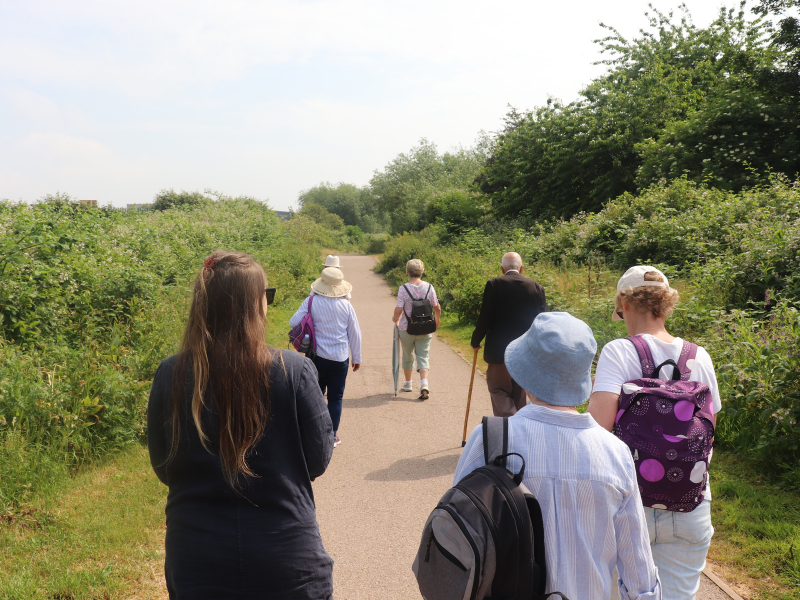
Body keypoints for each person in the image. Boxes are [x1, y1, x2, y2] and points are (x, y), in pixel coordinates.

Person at [147, 251, 334, 600]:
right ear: (253, 304)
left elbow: (163, 466)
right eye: (266, 295)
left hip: (196, 559)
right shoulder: (294, 370)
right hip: (286, 557)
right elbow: (318, 460)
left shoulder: (171, 373)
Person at [455, 312, 662, 600]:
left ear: (524, 373)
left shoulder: (490, 439)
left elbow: (458, 531)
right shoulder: (615, 452)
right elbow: (638, 569)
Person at [587, 265, 721, 600]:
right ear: (667, 305)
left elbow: (597, 431)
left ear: (625, 304)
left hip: (627, 503)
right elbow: (709, 431)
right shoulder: (700, 356)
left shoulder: (618, 351)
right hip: (690, 503)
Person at [291, 266, 362, 447]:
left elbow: (293, 322)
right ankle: (332, 436)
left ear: (322, 283)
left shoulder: (311, 301)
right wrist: (357, 357)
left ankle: (314, 433)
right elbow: (355, 333)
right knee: (336, 398)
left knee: (316, 395)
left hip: (317, 357)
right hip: (340, 358)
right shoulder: (346, 305)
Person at [470, 252, 547, 417]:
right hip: (526, 351)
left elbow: (485, 317)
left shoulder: (494, 284)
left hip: (499, 351)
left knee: (498, 388)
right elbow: (543, 322)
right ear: (522, 268)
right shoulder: (536, 287)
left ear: (502, 268)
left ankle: (510, 421)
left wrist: (476, 340)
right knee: (520, 392)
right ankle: (519, 425)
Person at [392, 259, 441, 400]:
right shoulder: (429, 287)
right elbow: (437, 307)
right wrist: (436, 321)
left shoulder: (403, 288)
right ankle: (424, 384)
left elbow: (399, 309)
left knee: (407, 356)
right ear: (422, 272)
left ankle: (408, 383)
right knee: (423, 356)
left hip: (407, 328)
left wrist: (395, 318)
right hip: (425, 327)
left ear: (408, 272)